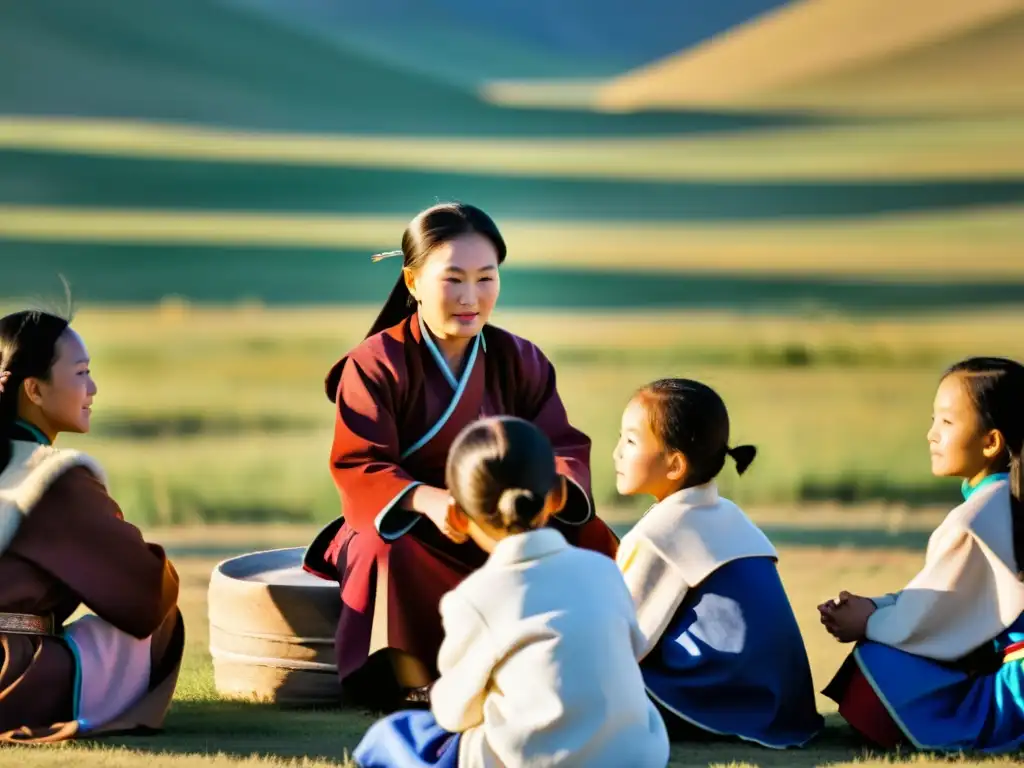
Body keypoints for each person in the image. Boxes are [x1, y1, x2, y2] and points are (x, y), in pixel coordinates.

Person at [302, 203, 619, 709]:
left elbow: (560, 444)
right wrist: (427, 500)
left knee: (588, 533)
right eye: (453, 280)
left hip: (507, 524)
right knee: (383, 553)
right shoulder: (376, 364)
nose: (471, 298)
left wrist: (553, 489)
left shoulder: (521, 359)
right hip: (414, 524)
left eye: (485, 278)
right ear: (412, 281)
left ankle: (604, 661)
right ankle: (411, 682)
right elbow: (360, 463)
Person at [352, 416, 669, 768]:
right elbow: (632, 651)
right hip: (637, 754)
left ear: (456, 516)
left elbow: (454, 712)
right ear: (559, 495)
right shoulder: (604, 570)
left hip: (535, 758)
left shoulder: (476, 597)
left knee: (393, 736)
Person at [820, 357, 1024, 753]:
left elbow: (925, 620)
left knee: (875, 664)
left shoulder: (975, 519)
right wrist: (876, 606)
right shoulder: (1006, 502)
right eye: (933, 420)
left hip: (1014, 695)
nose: (931, 434)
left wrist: (869, 621)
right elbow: (950, 605)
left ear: (991, 442)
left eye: (946, 423)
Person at [0, 310, 184, 743]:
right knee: (161, 623)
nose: (93, 388)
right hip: (9, 676)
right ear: (34, 390)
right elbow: (143, 594)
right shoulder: (51, 478)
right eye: (81, 373)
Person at [612, 378, 823, 747]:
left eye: (629, 441)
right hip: (782, 706)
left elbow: (621, 640)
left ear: (675, 465)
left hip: (718, 702)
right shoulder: (729, 515)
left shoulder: (659, 536)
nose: (616, 452)